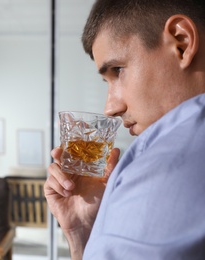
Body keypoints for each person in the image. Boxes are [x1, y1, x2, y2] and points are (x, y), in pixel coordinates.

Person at [44, 0, 205, 259]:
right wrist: (85, 234)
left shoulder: (167, 162)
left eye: (118, 70)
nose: (111, 108)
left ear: (181, 42)